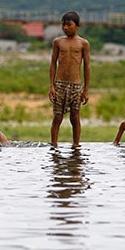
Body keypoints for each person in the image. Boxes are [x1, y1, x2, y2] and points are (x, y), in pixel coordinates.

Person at [48, 11, 91, 148]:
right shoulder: (58, 42)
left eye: (69, 25)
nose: (65, 28)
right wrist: (52, 86)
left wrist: (86, 90)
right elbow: (53, 64)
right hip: (60, 84)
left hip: (76, 85)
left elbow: (87, 67)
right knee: (57, 117)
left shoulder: (83, 43)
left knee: (75, 116)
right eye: (63, 25)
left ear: (77, 26)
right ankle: (54, 144)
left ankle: (76, 144)